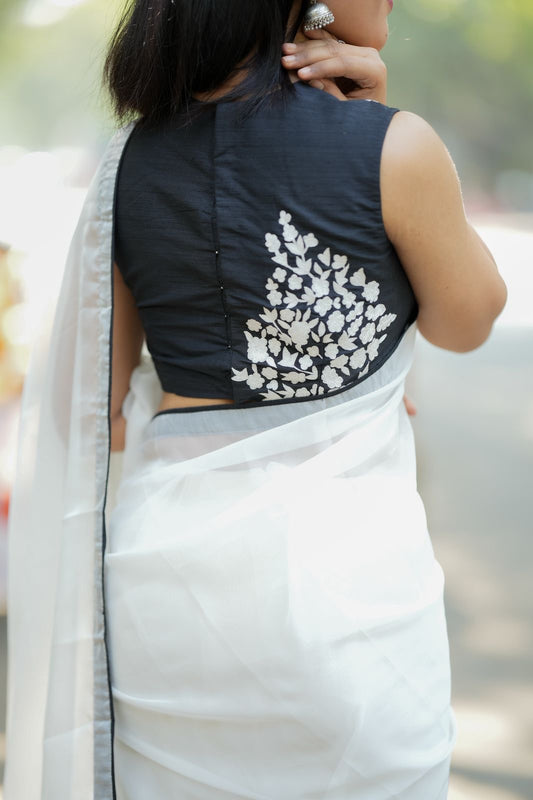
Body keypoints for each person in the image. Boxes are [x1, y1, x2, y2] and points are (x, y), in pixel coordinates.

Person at [4, 1, 507, 798]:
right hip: (346, 600)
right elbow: (467, 319)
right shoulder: (392, 144)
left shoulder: (129, 157)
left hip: (162, 591)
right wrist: (373, 126)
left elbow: (91, 409)